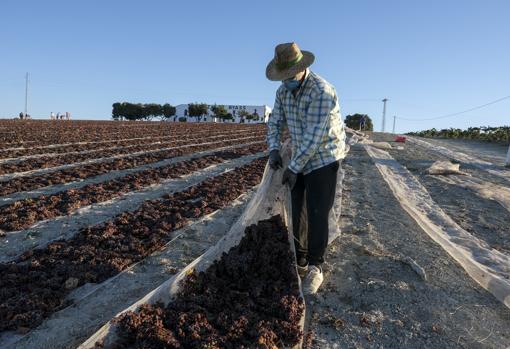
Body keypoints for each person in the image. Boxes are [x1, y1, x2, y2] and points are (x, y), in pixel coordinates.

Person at [266, 42, 347, 295]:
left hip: (324, 156)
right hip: (300, 151)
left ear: (302, 70)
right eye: (283, 78)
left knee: (317, 211)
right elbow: (275, 121)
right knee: (297, 207)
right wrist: (273, 149)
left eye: (290, 77)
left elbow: (314, 136)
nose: (286, 81)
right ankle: (299, 260)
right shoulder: (282, 93)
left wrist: (295, 167)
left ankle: (316, 267)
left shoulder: (321, 91)